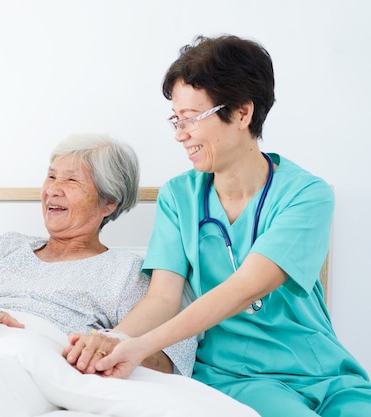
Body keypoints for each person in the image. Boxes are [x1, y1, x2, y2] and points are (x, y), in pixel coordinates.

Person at [64, 35, 371, 416]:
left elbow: (246, 288)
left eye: (192, 119)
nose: (180, 134)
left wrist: (140, 345)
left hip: (325, 370)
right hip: (238, 376)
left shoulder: (308, 194)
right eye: (176, 120)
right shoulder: (179, 197)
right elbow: (162, 298)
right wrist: (115, 339)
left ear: (242, 113)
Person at [0, 133, 197, 376]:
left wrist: (99, 351)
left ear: (109, 201)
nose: (52, 189)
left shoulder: (126, 272)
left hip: (33, 365)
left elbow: (170, 359)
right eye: (51, 176)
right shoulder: (6, 246)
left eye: (71, 180)